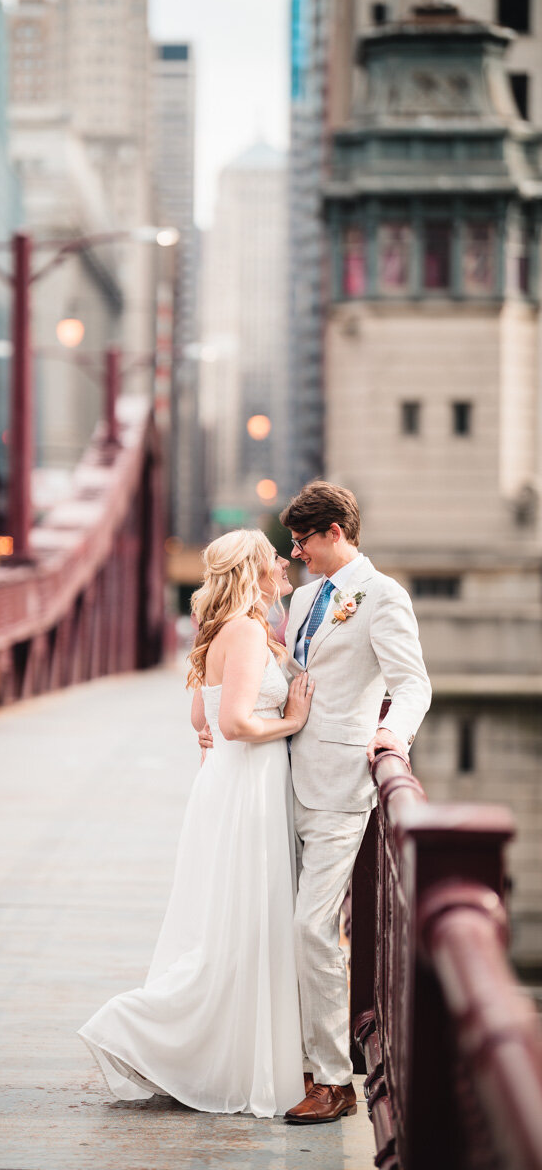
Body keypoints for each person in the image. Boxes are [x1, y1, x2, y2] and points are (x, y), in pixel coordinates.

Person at [78, 529, 314, 1117]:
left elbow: (199, 717)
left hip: (228, 786)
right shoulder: (248, 630)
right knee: (243, 927)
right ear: (254, 572)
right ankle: (136, 1027)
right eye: (273, 558)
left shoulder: (226, 633)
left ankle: (212, 1051)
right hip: (248, 785)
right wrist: (294, 718)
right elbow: (231, 724)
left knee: (231, 925)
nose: (284, 563)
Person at [223, 480, 431, 1124]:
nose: (297, 552)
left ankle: (335, 1079)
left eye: (303, 540)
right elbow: (294, 676)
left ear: (335, 533)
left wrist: (391, 735)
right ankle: (290, 1060)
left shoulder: (383, 595)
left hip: (344, 781)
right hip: (281, 772)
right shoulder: (309, 594)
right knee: (271, 921)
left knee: (313, 927)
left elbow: (412, 683)